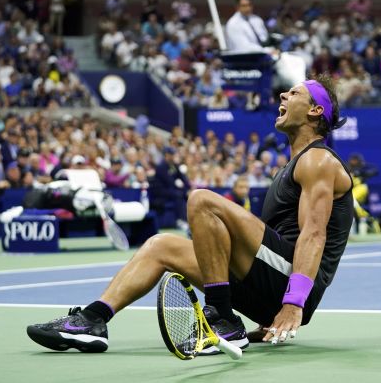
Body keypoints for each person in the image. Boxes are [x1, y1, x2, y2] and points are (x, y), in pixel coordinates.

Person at [25, 75, 354, 354]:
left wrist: (293, 303)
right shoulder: (292, 166)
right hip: (270, 289)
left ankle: (222, 321)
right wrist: (268, 313)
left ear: (315, 111)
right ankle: (93, 321)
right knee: (160, 246)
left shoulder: (318, 161)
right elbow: (259, 249)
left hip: (294, 289)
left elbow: (313, 235)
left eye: (295, 93)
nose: (283, 94)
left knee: (203, 200)